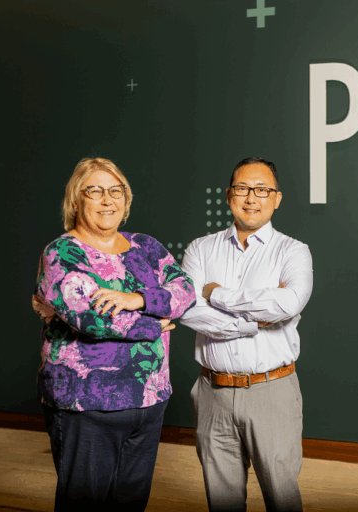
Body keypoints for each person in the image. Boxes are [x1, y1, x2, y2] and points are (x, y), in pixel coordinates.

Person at [32, 157, 195, 510]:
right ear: (76, 200)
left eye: (115, 191)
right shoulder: (61, 253)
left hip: (149, 400)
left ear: (126, 198)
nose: (107, 200)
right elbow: (92, 319)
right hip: (87, 406)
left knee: (131, 503)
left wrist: (137, 298)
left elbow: (185, 291)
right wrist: (155, 324)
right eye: (95, 191)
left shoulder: (146, 246)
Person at [180, 157, 313, 512]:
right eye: (242, 188)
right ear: (229, 195)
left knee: (282, 499)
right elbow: (187, 309)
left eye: (262, 190)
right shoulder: (200, 249)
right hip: (212, 392)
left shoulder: (293, 251)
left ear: (277, 198)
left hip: (271, 390)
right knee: (221, 502)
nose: (251, 198)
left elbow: (287, 303)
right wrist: (251, 322)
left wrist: (216, 295)